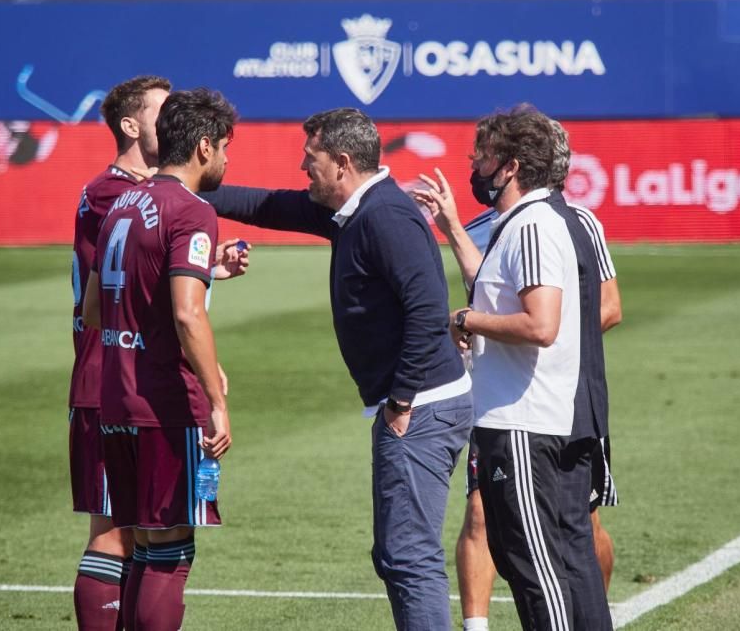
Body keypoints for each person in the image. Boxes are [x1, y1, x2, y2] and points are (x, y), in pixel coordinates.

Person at [200, 107, 473, 631]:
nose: (304, 168)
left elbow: (426, 305)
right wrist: (182, 186)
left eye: (312, 159)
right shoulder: (352, 209)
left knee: (409, 558)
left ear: (343, 163)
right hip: (422, 404)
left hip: (422, 409)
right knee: (398, 555)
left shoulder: (384, 216)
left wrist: (401, 401)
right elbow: (267, 205)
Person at [412, 107, 612, 631]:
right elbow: (500, 297)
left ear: (511, 165)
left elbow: (541, 324)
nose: (474, 166)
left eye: (482, 156)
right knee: (569, 564)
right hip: (533, 418)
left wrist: (464, 318)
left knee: (535, 570)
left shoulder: (534, 224)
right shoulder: (531, 222)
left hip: (523, 423)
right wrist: (453, 229)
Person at [82, 88, 241, 631]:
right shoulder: (192, 210)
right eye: (224, 147)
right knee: (170, 554)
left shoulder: (122, 203)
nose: (226, 159)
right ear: (202, 146)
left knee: (142, 545)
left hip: (115, 400)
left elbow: (92, 308)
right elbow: (188, 315)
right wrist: (216, 401)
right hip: (166, 404)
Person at [69, 75, 169, 631]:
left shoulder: (140, 195)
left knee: (139, 531)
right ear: (130, 125)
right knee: (112, 532)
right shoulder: (114, 192)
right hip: (107, 377)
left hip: (136, 378)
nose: (174, 120)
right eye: (163, 111)